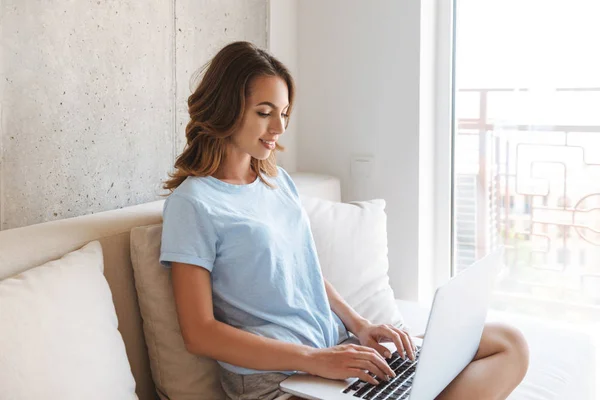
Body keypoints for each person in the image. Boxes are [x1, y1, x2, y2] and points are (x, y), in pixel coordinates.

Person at [159, 41, 529, 400]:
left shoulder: (276, 182)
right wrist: (317, 361)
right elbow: (200, 333)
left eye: (284, 113)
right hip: (277, 379)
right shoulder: (192, 204)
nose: (279, 128)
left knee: (508, 344)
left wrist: (361, 325)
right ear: (225, 108)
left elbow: (305, 271)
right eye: (264, 112)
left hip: (335, 351)